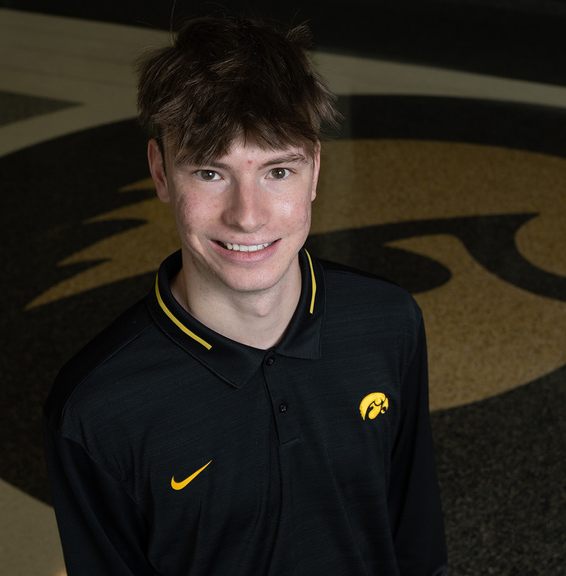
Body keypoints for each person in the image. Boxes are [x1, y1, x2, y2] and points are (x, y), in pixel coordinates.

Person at [43, 15, 448, 575]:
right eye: (211, 173)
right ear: (161, 174)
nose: (247, 216)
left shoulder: (388, 322)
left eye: (277, 171)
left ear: (315, 170)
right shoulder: (97, 408)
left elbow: (417, 544)